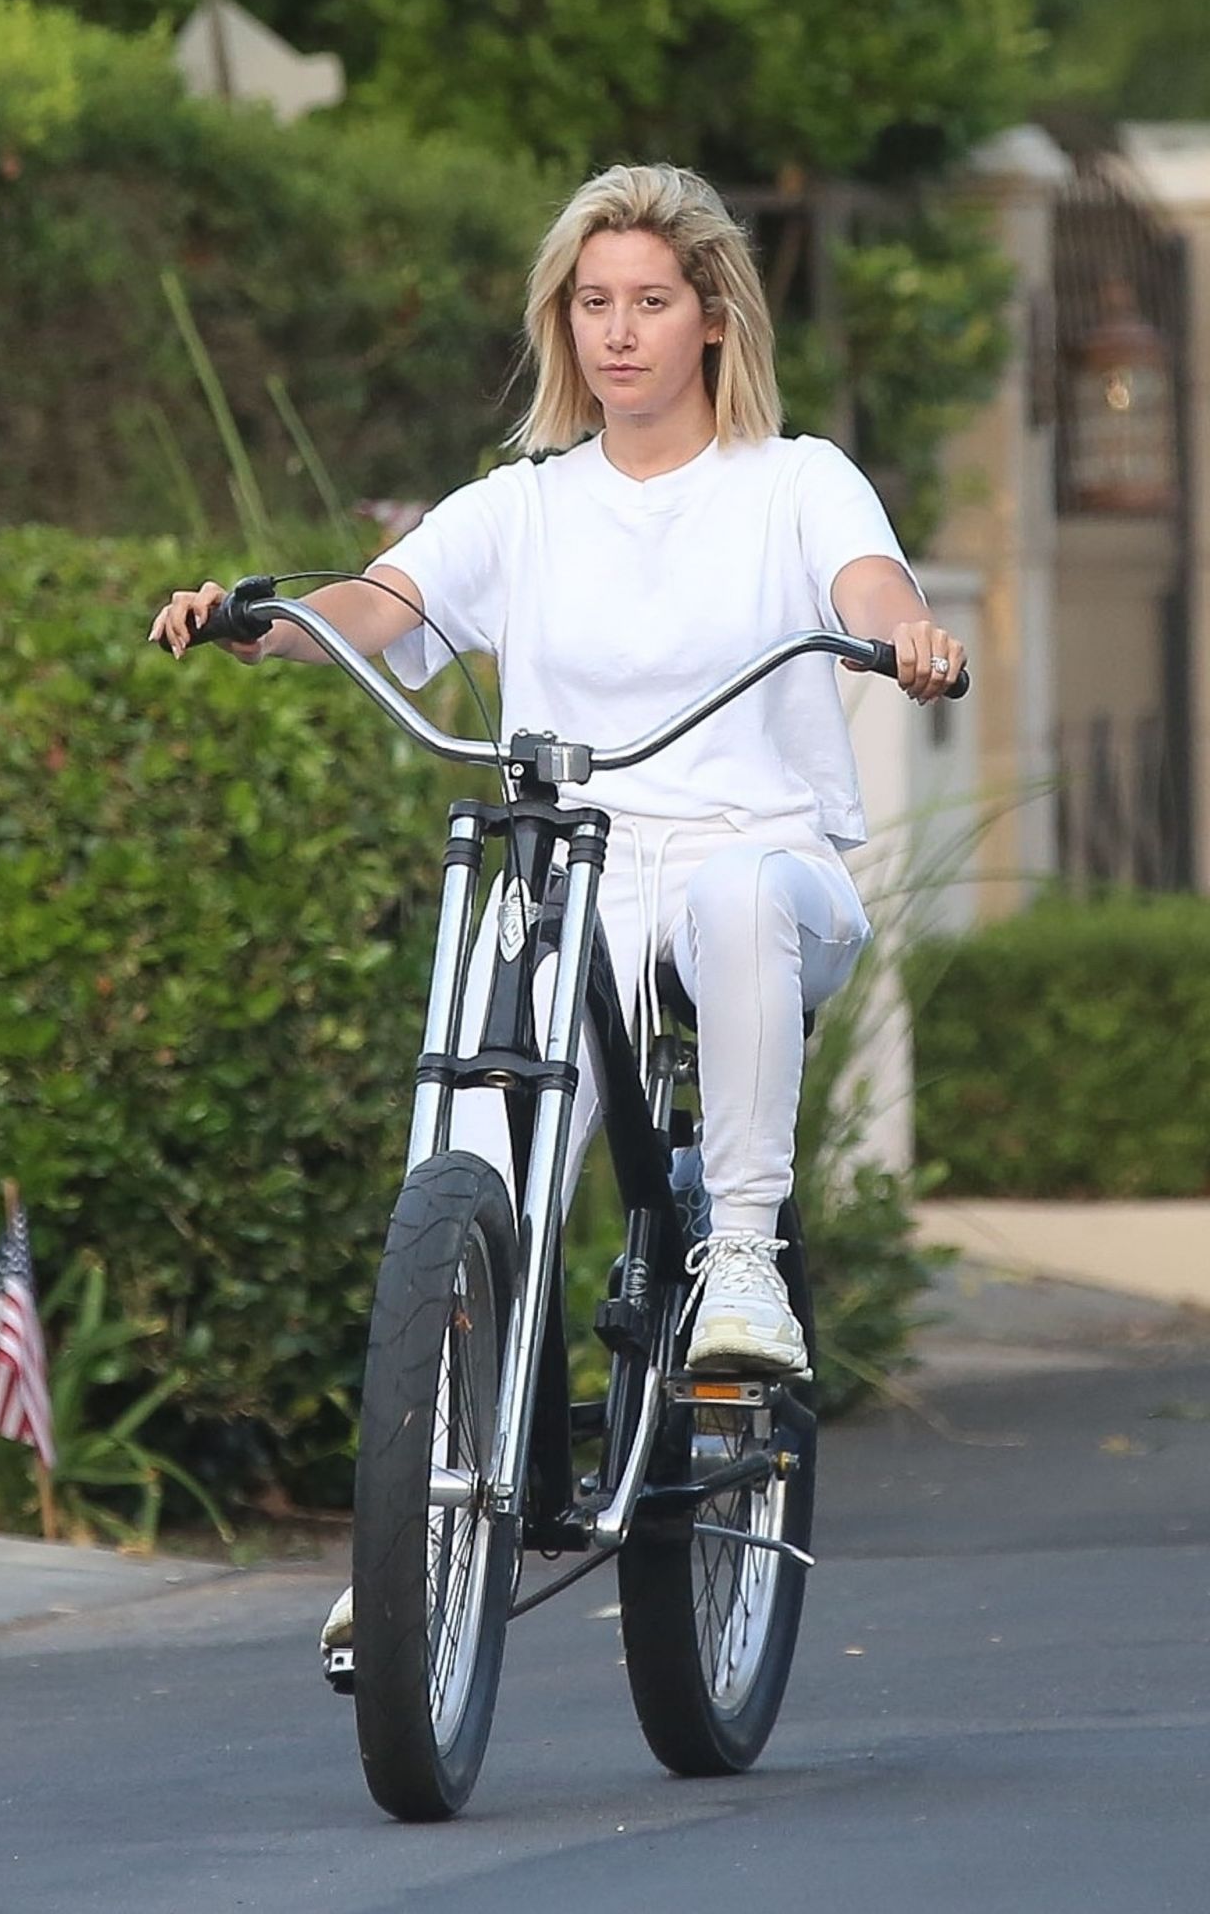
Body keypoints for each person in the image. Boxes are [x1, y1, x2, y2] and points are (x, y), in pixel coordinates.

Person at [150, 162, 965, 1664]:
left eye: (651, 302)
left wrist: (907, 636)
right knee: (473, 1158)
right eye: (593, 304)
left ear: (712, 318)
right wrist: (255, 620)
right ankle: (419, 1523)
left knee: (732, 901)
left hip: (757, 858)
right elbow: (377, 609)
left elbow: (871, 584)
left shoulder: (796, 479)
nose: (619, 333)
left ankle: (740, 1266)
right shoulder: (523, 506)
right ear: (564, 322)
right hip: (582, 861)